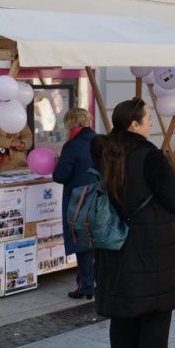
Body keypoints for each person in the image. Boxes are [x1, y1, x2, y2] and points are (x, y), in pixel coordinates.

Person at [92, 98, 175, 348]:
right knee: (154, 316)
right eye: (147, 119)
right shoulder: (148, 156)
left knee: (124, 315)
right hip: (151, 248)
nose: (150, 124)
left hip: (115, 245)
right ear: (134, 124)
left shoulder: (104, 151)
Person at [53, 107, 97, 299]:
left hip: (78, 200)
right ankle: (95, 283)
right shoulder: (99, 141)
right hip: (99, 196)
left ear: (71, 123)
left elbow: (60, 176)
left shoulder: (72, 146)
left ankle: (87, 285)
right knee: (97, 241)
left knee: (82, 243)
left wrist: (58, 163)